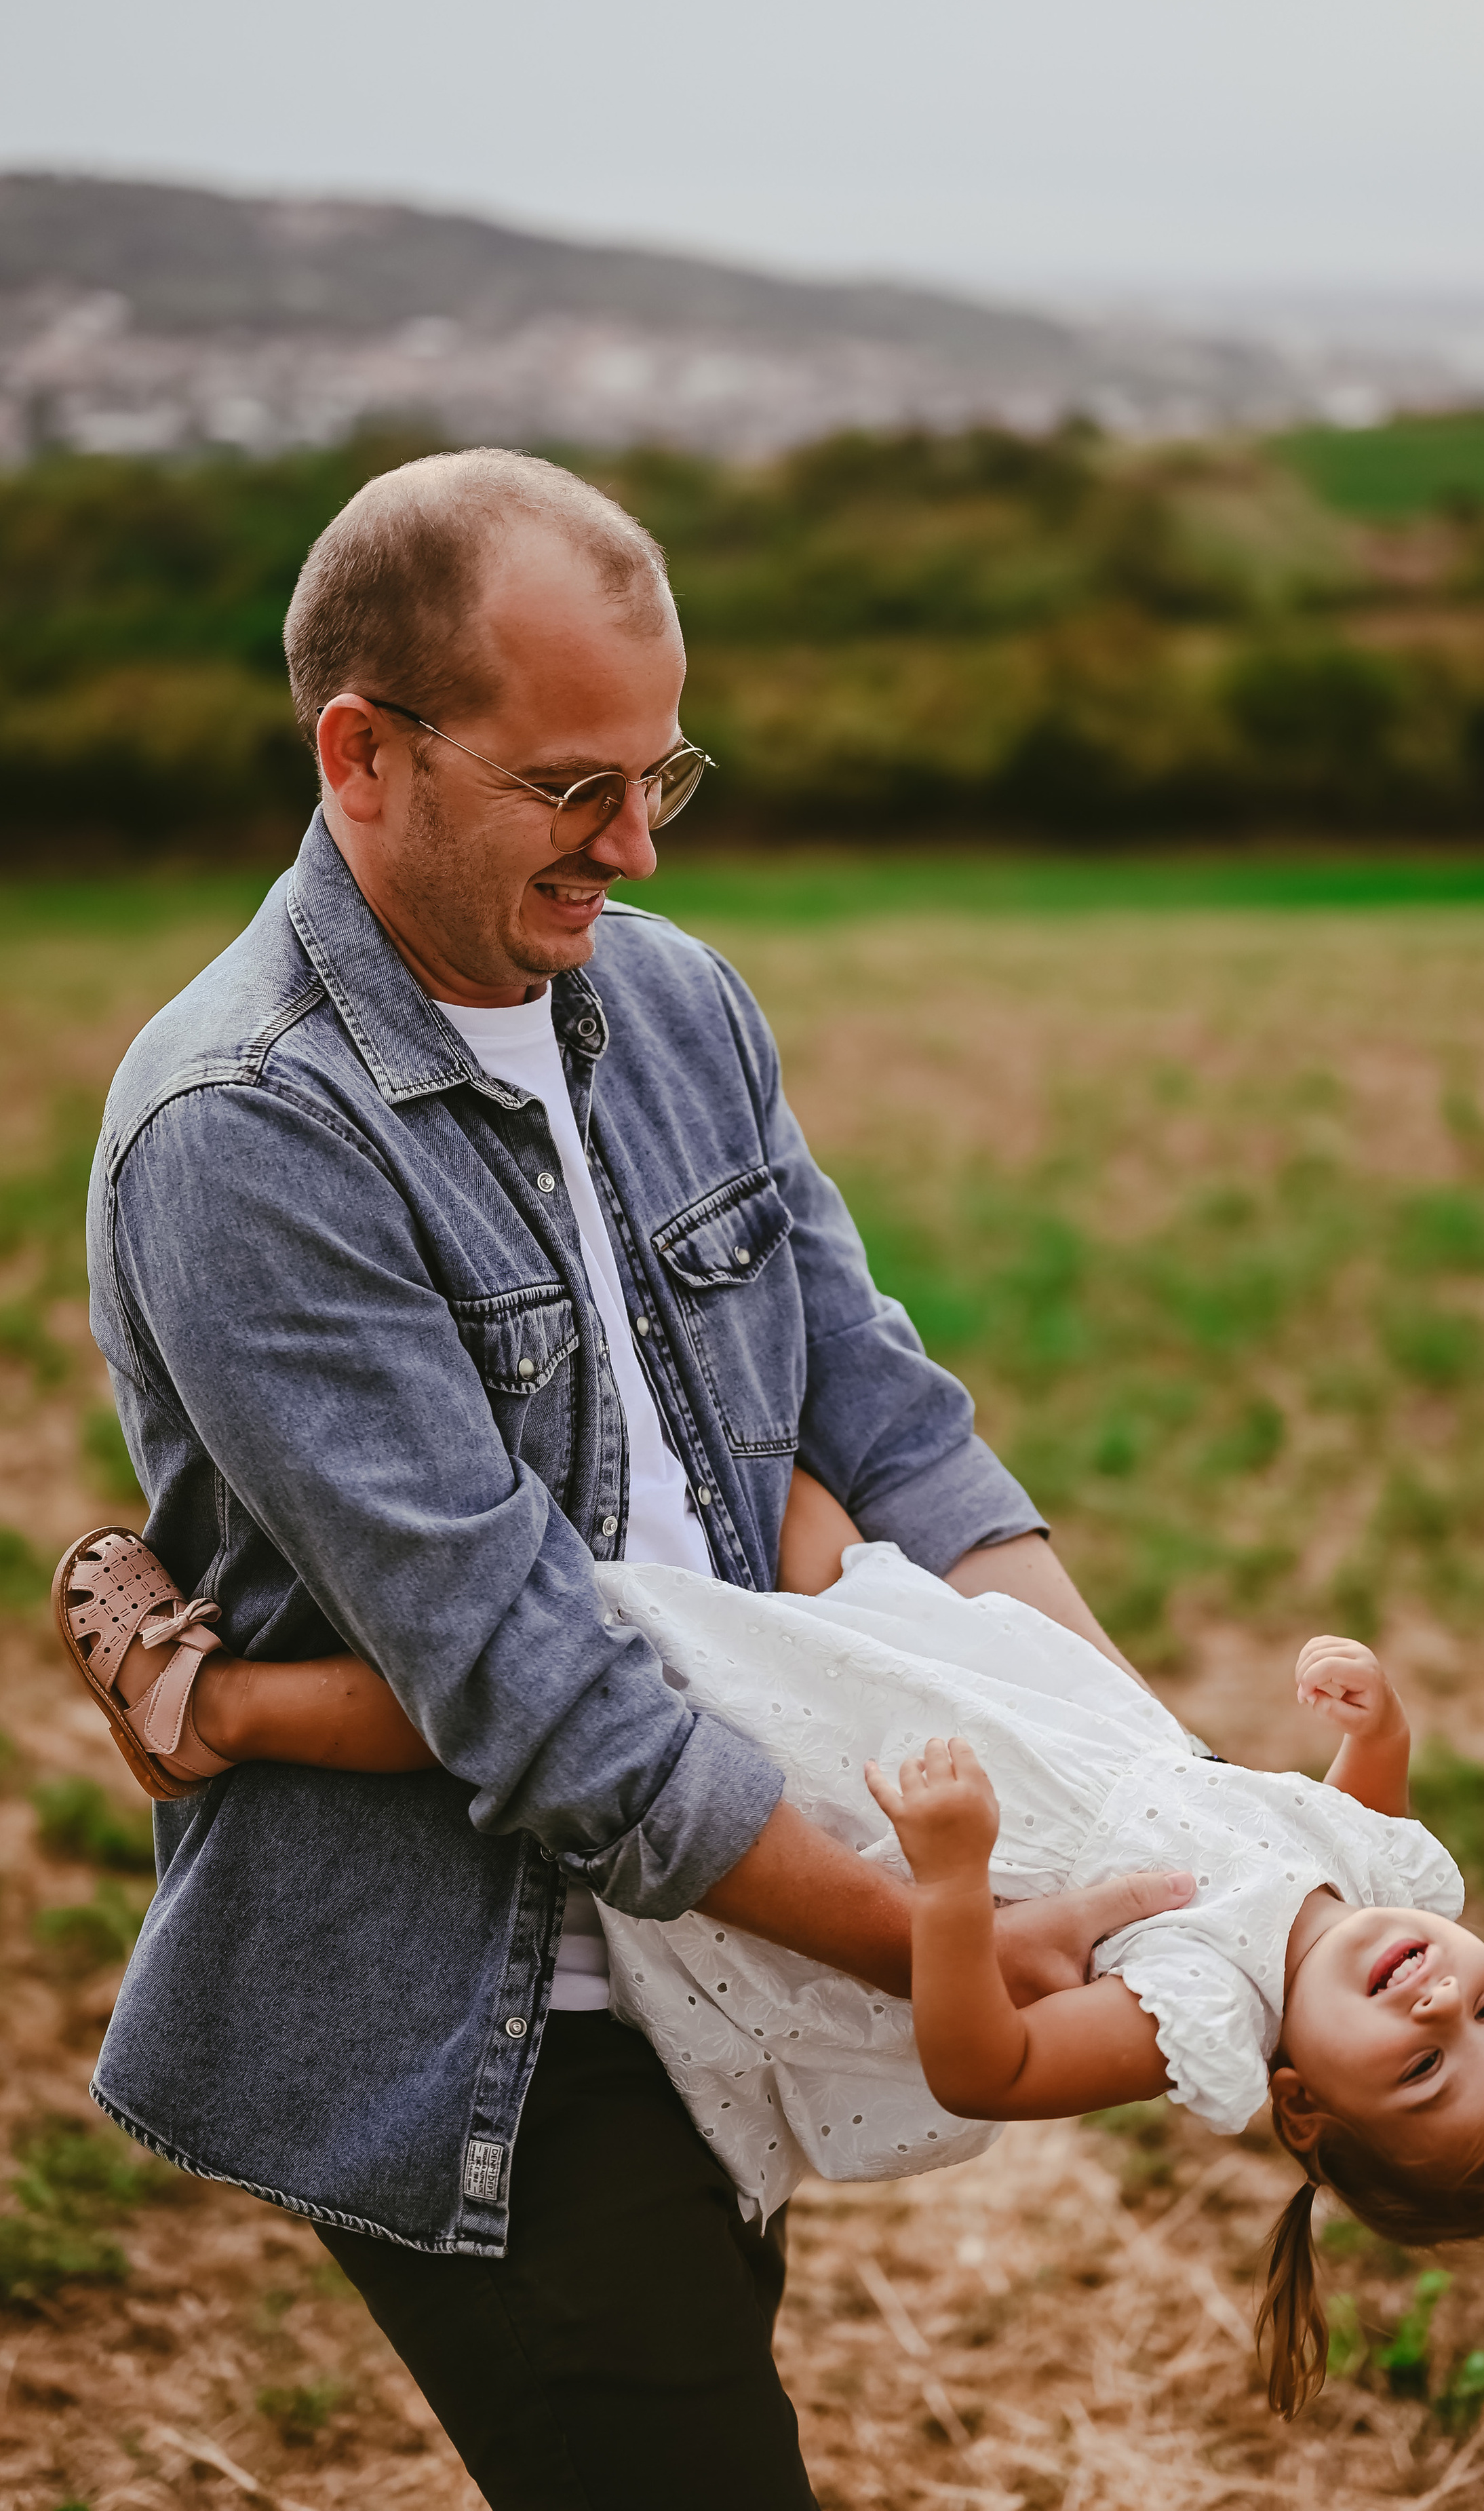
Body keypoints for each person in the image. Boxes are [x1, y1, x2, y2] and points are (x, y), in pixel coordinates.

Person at [69, 447, 1189, 2511]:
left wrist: (1168, 1795)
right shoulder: (242, 1133)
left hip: (723, 1959)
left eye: (664, 771)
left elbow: (895, 1431)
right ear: (361, 756)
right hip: (495, 2018)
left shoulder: (672, 1003)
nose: (639, 845)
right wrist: (943, 1944)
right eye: (573, 785)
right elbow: (539, 1692)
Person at [59, 1520, 1484, 2428]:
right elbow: (1366, 1817)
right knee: (821, 1562)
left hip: (897, 1801)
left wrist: (951, 1883)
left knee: (620, 1675)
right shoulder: (1388, 1888)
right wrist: (1371, 1729)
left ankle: (223, 1716)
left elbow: (984, 2067)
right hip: (977, 1691)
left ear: (1302, 2109)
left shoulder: (1198, 2014)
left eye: (1419, 2064)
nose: (1434, 1999)